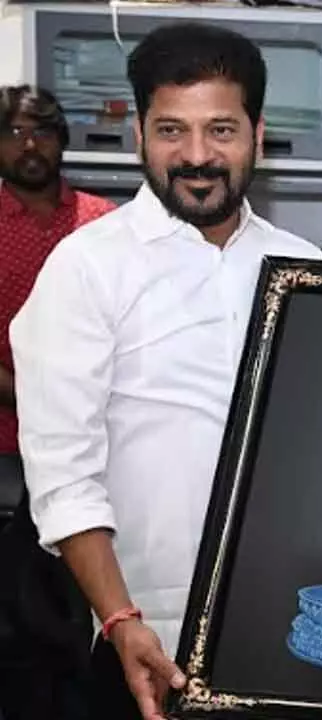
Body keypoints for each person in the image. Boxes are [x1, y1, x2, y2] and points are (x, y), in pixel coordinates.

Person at [10, 22, 322, 720]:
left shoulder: (309, 271)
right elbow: (63, 477)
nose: (196, 156)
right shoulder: (87, 267)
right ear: (139, 137)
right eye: (170, 131)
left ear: (256, 131)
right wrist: (120, 620)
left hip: (291, 635)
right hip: (142, 639)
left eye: (220, 130)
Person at [0, 84, 114, 720]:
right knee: (16, 629)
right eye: (13, 132)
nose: (28, 145)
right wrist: (40, 397)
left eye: (41, 130)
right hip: (6, 449)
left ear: (62, 139)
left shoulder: (102, 220)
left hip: (95, 453)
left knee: (80, 622)